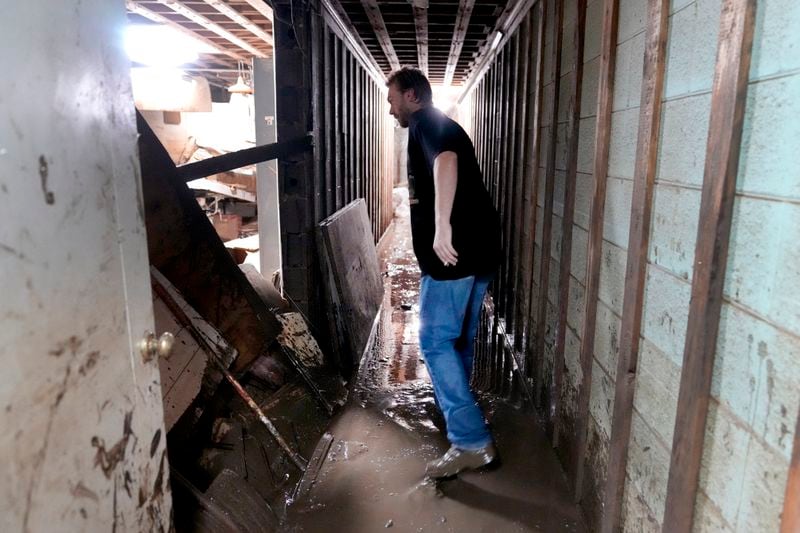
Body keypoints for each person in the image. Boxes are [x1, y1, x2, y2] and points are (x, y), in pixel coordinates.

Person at [386, 66, 501, 479]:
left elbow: (446, 163)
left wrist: (441, 225)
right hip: (480, 251)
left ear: (412, 95)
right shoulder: (441, 124)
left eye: (393, 97)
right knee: (458, 339)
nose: (390, 106)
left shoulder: (426, 124)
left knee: (434, 340)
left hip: (455, 256)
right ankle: (459, 407)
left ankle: (470, 440)